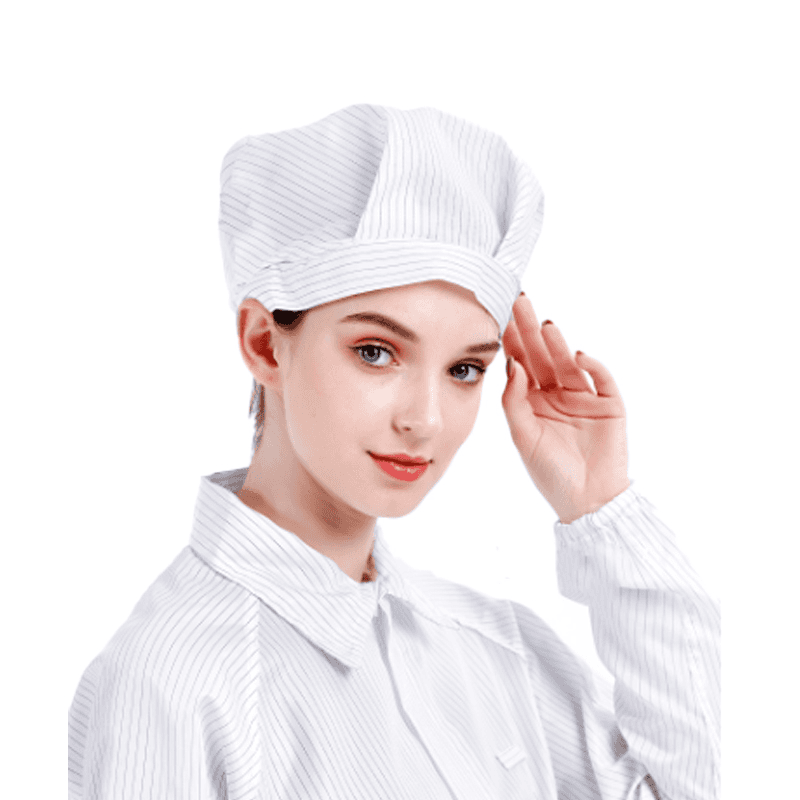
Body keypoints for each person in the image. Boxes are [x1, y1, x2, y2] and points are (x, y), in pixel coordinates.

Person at [68, 105, 720, 799]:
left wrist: (601, 508)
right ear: (264, 344)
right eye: (376, 352)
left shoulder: (500, 650)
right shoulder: (167, 681)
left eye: (464, 369)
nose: (426, 419)